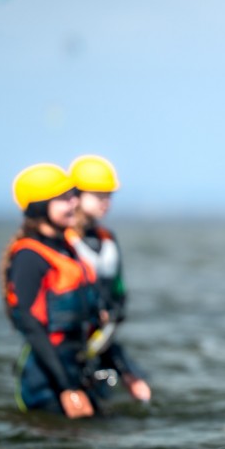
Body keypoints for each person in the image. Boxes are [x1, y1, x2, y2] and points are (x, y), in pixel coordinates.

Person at [1, 163, 101, 418]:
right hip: (45, 378)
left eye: (73, 196)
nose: (74, 204)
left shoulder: (67, 247)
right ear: (39, 206)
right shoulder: (28, 256)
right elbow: (29, 324)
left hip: (75, 366)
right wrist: (67, 389)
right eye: (63, 199)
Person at [68, 154, 152, 404]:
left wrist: (115, 310)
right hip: (73, 342)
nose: (106, 202)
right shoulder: (65, 241)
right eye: (99, 195)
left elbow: (119, 288)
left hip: (104, 340)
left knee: (140, 392)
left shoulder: (107, 238)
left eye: (109, 196)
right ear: (76, 196)